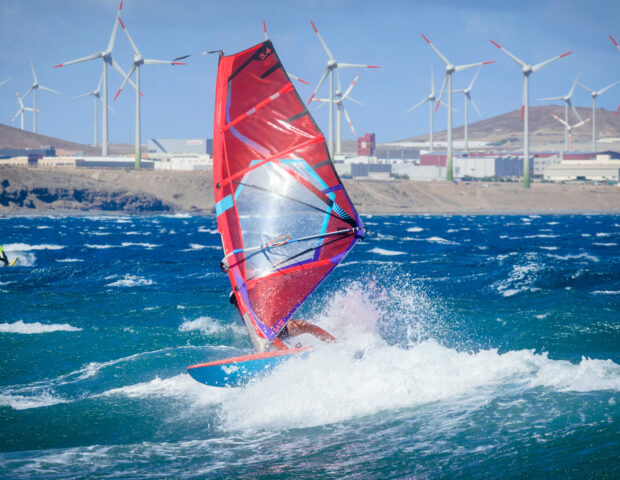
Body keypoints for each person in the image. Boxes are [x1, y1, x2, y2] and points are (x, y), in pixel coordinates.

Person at [230, 291, 336, 349]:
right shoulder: (239, 292)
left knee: (304, 325)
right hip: (260, 330)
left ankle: (333, 342)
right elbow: (234, 297)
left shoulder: (262, 284)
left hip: (277, 325)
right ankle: (289, 354)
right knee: (270, 339)